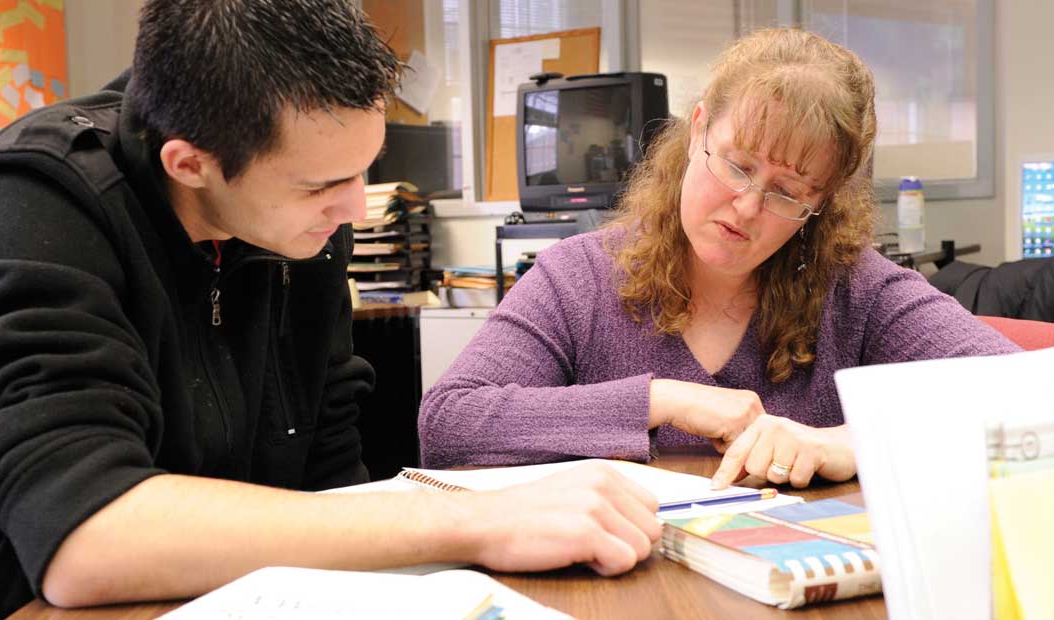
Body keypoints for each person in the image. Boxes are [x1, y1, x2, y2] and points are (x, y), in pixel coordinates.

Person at [0, 2, 660, 618]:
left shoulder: (292, 220)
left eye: (361, 172)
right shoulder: (26, 203)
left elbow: (328, 469)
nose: (357, 210)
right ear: (189, 164)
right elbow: (85, 539)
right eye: (325, 184)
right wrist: (475, 522)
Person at [418, 28, 1020, 489]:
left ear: (822, 202)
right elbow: (447, 424)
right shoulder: (578, 277)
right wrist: (663, 399)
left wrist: (848, 442)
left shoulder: (857, 290)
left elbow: (1037, 396)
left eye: (788, 192)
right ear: (699, 127)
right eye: (737, 165)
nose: (747, 206)